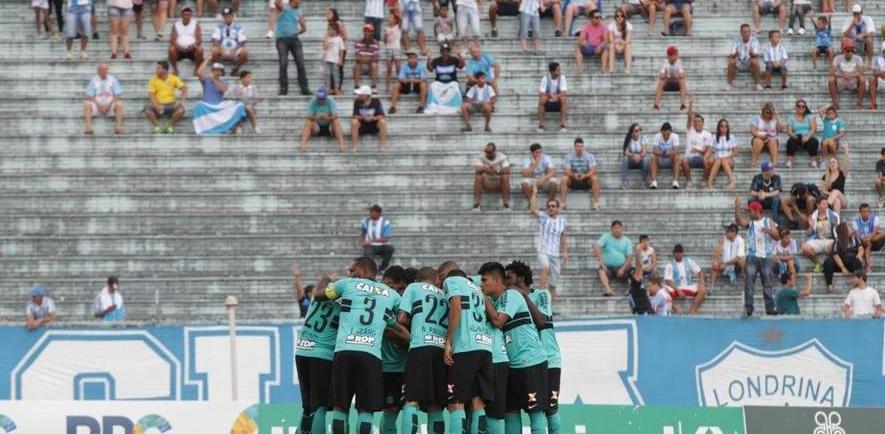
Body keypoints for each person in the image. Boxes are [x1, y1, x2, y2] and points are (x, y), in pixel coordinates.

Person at [312, 257, 409, 434]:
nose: (349, 273)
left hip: (344, 352)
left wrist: (329, 280)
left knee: (341, 408)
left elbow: (319, 295)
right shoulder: (392, 294)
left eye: (352, 269)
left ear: (363, 270)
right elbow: (404, 320)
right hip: (370, 355)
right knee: (366, 411)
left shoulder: (346, 284)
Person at [481, 262, 550, 434]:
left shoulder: (511, 295)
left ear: (497, 280)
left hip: (530, 361)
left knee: (535, 412)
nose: (482, 284)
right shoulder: (496, 302)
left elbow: (498, 321)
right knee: (510, 413)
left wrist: (483, 298)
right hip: (510, 365)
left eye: (485, 280)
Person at [502, 260, 562, 434]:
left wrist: (522, 295)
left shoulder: (542, 295)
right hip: (522, 361)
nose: (505, 281)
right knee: (513, 411)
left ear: (520, 278)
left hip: (549, 359)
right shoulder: (507, 299)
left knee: (550, 409)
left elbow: (542, 320)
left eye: (509, 277)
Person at [396, 268, 447, 434]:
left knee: (412, 400)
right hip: (441, 350)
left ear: (418, 279)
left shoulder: (413, 287)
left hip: (420, 347)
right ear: (436, 279)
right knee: (435, 405)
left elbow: (401, 318)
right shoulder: (445, 293)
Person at [443, 271, 493, 434]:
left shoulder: (452, 281)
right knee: (478, 404)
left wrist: (448, 341)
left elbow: (456, 306)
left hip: (466, 347)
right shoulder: (477, 289)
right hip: (485, 348)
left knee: (455, 404)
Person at [733, 199, 780, 316]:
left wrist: (768, 231)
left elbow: (777, 236)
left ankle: (769, 308)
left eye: (751, 211)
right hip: (752, 256)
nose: (749, 213)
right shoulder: (750, 223)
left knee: (768, 284)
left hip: (766, 257)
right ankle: (749, 309)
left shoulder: (769, 221)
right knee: (749, 284)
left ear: (756, 211)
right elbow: (739, 221)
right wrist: (737, 208)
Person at [379, 267, 410, 434]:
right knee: (391, 411)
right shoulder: (383, 301)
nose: (397, 292)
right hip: (388, 367)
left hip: (405, 367)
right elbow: (403, 338)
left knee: (401, 410)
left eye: (401, 289)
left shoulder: (404, 305)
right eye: (393, 287)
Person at [192, 59, 247, 135]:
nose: (217, 72)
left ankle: (237, 125)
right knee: (199, 105)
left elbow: (223, 89)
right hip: (207, 105)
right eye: (215, 70)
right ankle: (203, 128)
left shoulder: (224, 82)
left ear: (222, 72)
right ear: (212, 71)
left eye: (219, 71)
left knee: (240, 105)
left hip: (219, 106)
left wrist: (213, 79)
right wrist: (207, 60)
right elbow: (198, 72)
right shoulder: (206, 80)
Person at [529, 192, 567, 293]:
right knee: (545, 267)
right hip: (543, 250)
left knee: (554, 281)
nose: (551, 208)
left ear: (557, 208)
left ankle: (550, 301)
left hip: (555, 253)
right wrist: (534, 193)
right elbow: (533, 209)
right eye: (549, 206)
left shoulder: (562, 221)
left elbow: (563, 236)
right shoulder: (544, 217)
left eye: (553, 206)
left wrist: (565, 252)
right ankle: (541, 292)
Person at [274, 0, 309, 96]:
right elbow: (277, 3)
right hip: (282, 39)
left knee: (300, 63)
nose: (300, 2)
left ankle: (304, 88)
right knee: (283, 63)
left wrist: (297, 31)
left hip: (294, 38)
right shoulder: (284, 6)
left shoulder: (299, 10)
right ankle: (283, 88)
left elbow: (304, 27)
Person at [143, 60, 187, 134]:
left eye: (158, 68)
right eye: (156, 68)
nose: (156, 70)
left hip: (171, 105)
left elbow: (184, 88)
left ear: (165, 70)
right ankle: (158, 126)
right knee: (147, 110)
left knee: (181, 110)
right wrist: (156, 106)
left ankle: (169, 126)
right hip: (158, 105)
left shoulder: (173, 78)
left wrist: (181, 101)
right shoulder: (153, 80)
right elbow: (151, 95)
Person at [83, 62, 124, 135]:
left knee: (119, 104)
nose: (104, 71)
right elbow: (90, 96)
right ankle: (88, 127)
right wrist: (99, 106)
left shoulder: (112, 79)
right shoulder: (94, 80)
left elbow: (117, 95)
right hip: (97, 105)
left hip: (110, 105)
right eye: (102, 70)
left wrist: (108, 105)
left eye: (105, 70)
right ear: (98, 71)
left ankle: (118, 127)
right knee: (87, 104)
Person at [663, 244, 707, 314]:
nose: (678, 254)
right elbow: (668, 281)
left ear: (683, 253)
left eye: (680, 252)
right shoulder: (669, 265)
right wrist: (678, 291)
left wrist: (702, 282)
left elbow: (700, 272)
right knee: (663, 293)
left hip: (688, 286)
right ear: (673, 253)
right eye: (676, 252)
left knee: (703, 289)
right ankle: (675, 308)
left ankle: (692, 309)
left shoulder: (688, 261)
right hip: (675, 287)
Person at [300, 87, 345, 153]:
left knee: (336, 121)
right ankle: (302, 145)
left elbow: (335, 115)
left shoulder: (330, 101)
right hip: (316, 126)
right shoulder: (313, 101)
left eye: (322, 99)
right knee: (308, 122)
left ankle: (341, 145)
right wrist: (317, 117)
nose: (321, 100)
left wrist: (328, 118)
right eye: (319, 98)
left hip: (329, 126)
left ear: (326, 96)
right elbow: (308, 116)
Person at [595, 220, 634, 297]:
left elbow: (629, 256)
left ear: (622, 229)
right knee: (601, 271)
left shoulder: (627, 240)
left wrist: (623, 268)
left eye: (619, 228)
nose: (617, 229)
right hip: (608, 267)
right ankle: (608, 289)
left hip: (622, 266)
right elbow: (596, 246)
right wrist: (602, 263)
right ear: (611, 229)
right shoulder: (606, 236)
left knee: (633, 271)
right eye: (615, 228)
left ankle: (632, 289)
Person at [560, 137, 600, 210]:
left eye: (581, 146)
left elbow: (593, 170)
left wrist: (585, 175)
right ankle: (563, 203)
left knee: (595, 178)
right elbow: (566, 171)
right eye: (578, 146)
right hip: (573, 180)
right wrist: (573, 175)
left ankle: (596, 204)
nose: (580, 148)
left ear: (583, 147)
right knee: (564, 178)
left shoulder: (589, 156)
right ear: (574, 147)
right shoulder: (569, 157)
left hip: (586, 180)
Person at [824, 222, 864, 293]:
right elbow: (835, 255)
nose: (851, 228)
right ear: (844, 230)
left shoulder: (854, 239)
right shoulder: (838, 241)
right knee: (827, 261)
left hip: (851, 262)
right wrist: (843, 268)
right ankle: (829, 285)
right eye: (849, 227)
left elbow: (861, 249)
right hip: (839, 264)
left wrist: (859, 256)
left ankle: (857, 284)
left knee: (857, 261)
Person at [425, 43, 465, 115]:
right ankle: (433, 106)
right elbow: (430, 69)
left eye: (447, 51)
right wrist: (428, 59)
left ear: (449, 52)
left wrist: (460, 56)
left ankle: (456, 106)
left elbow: (462, 66)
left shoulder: (454, 59)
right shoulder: (436, 60)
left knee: (455, 85)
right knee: (433, 85)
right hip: (439, 83)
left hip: (451, 83)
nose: (445, 53)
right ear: (441, 52)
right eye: (443, 51)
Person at [681, 98, 712, 188]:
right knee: (683, 160)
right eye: (695, 121)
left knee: (710, 160)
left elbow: (708, 150)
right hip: (690, 158)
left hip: (702, 159)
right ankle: (689, 181)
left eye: (699, 121)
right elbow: (689, 117)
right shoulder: (690, 130)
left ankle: (703, 180)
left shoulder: (708, 134)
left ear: (703, 123)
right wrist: (690, 104)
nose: (697, 123)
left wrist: (699, 151)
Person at [802, 199, 840, 273]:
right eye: (823, 203)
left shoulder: (833, 215)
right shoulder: (813, 216)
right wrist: (810, 226)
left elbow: (838, 228)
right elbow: (808, 233)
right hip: (818, 240)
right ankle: (818, 264)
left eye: (826, 204)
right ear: (818, 205)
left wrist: (835, 222)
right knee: (805, 248)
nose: (826, 205)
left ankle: (829, 266)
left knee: (834, 248)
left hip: (830, 240)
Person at [828, 39, 866, 110]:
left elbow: (862, 72)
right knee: (831, 79)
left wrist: (851, 75)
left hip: (853, 81)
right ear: (844, 50)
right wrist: (843, 75)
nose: (850, 52)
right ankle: (835, 103)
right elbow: (832, 72)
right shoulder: (837, 58)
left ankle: (858, 103)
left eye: (852, 50)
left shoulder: (858, 58)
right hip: (841, 81)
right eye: (848, 50)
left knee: (862, 79)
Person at [473, 142, 511, 210]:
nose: (487, 153)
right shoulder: (481, 157)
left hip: (498, 181)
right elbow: (477, 169)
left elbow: (507, 170)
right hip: (486, 181)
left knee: (506, 176)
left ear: (494, 151)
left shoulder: (502, 157)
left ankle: (505, 204)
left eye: (489, 152)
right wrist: (486, 169)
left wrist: (497, 170)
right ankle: (477, 203)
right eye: (486, 151)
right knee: (478, 176)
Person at [211, 8, 248, 75]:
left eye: (229, 16)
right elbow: (215, 40)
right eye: (225, 16)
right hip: (222, 48)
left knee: (244, 52)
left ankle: (235, 68)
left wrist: (234, 50)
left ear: (232, 16)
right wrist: (221, 50)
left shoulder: (238, 27)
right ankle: (221, 69)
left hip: (235, 49)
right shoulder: (219, 26)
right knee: (214, 51)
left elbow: (242, 41)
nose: (227, 18)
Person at [351, 85, 388, 151]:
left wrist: (373, 118)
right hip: (362, 124)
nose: (359, 96)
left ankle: (382, 145)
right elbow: (354, 115)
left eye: (361, 94)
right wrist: (363, 117)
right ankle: (354, 146)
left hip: (374, 124)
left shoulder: (376, 101)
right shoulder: (357, 102)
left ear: (367, 95)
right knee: (354, 122)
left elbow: (382, 115)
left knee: (383, 122)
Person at [727, 24, 762, 91]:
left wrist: (752, 54)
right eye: (745, 32)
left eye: (749, 31)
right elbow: (732, 55)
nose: (747, 34)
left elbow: (756, 55)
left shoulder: (754, 40)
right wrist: (735, 54)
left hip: (749, 62)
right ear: (741, 33)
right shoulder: (736, 40)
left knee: (755, 61)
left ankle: (757, 84)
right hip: (739, 62)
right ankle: (729, 84)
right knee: (731, 62)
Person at [169, 7, 204, 75]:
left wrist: (192, 46)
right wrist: (178, 46)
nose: (187, 16)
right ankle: (175, 69)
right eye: (185, 14)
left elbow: (199, 40)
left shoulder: (195, 24)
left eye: (188, 14)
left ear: (191, 15)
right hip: (179, 49)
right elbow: (172, 40)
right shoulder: (176, 24)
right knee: (171, 49)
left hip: (192, 49)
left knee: (200, 50)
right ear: (181, 15)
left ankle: (197, 69)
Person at [784, 99, 819, 169]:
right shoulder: (791, 118)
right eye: (799, 106)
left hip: (807, 136)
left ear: (805, 108)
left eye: (803, 106)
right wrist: (797, 137)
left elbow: (813, 129)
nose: (801, 108)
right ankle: (789, 161)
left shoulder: (810, 117)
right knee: (790, 141)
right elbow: (789, 131)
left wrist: (807, 137)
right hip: (796, 136)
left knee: (814, 141)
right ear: (796, 107)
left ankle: (813, 161)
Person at [710, 223, 746, 289]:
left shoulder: (740, 240)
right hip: (725, 264)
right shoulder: (724, 239)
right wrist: (720, 244)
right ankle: (711, 286)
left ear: (734, 232)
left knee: (742, 261)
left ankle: (742, 274)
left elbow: (739, 257)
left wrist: (725, 263)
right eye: (727, 231)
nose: (726, 232)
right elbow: (716, 255)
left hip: (736, 265)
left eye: (729, 231)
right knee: (714, 264)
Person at [360, 204, 395, 273]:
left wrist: (371, 240)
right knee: (367, 254)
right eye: (370, 212)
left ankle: (382, 268)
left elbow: (385, 238)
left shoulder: (385, 222)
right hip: (371, 246)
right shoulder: (366, 221)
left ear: (378, 213)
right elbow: (363, 232)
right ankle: (370, 270)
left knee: (390, 249)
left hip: (382, 245)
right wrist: (363, 241)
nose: (370, 214)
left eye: (372, 212)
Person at [574, 10, 608, 76]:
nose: (599, 19)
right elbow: (581, 39)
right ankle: (579, 69)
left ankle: (603, 68)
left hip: (599, 47)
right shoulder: (586, 26)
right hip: (589, 47)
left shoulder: (603, 26)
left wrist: (600, 46)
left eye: (600, 17)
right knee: (578, 48)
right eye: (597, 17)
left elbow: (606, 40)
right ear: (591, 19)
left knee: (606, 47)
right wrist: (583, 42)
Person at [649, 122, 682, 190]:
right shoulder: (657, 136)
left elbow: (676, 150)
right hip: (661, 159)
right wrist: (664, 153)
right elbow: (654, 150)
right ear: (661, 132)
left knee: (677, 157)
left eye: (668, 134)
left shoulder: (675, 136)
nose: (666, 136)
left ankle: (675, 181)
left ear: (671, 132)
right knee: (653, 157)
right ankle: (654, 181)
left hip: (670, 160)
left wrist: (667, 153)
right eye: (664, 134)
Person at [653, 46, 687, 111]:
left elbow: (682, 75)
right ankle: (656, 104)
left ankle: (683, 104)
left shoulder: (679, 62)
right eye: (675, 54)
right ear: (669, 56)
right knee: (661, 82)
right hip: (668, 83)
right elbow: (661, 76)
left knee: (682, 81)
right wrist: (673, 76)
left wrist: (668, 76)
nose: (676, 56)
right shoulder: (664, 62)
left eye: (676, 54)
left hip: (676, 83)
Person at [853, 203, 884, 272]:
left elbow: (874, 231)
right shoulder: (855, 222)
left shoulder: (875, 218)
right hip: (863, 243)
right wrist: (866, 238)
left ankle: (868, 266)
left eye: (868, 211)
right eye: (864, 212)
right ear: (860, 212)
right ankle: (868, 265)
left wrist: (869, 238)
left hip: (874, 241)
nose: (866, 213)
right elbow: (859, 236)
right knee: (867, 243)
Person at [538, 62, 568, 132]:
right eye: (558, 70)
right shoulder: (545, 78)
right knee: (542, 99)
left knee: (563, 98)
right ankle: (541, 124)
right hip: (548, 99)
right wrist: (550, 96)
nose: (559, 72)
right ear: (552, 71)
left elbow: (564, 92)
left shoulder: (562, 78)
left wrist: (556, 97)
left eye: (559, 70)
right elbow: (541, 93)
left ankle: (563, 123)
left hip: (558, 100)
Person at [748, 102, 780, 167]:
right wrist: (761, 136)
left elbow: (778, 131)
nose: (768, 114)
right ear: (763, 111)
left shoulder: (774, 118)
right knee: (757, 141)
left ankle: (774, 163)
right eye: (767, 112)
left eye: (770, 113)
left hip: (771, 138)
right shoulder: (756, 118)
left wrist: (778, 120)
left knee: (773, 141)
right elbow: (753, 131)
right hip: (759, 137)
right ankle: (753, 162)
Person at [707, 119, 737, 188]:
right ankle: (710, 183)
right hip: (717, 160)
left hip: (728, 160)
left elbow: (735, 152)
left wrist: (727, 156)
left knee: (723, 160)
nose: (724, 128)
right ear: (719, 127)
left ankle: (732, 182)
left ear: (727, 128)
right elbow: (710, 150)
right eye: (722, 126)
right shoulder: (714, 137)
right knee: (718, 160)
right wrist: (706, 158)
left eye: (726, 126)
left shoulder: (731, 137)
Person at [621, 123, 650, 188]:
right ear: (632, 133)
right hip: (632, 160)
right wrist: (634, 155)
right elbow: (626, 152)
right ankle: (624, 183)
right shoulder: (629, 139)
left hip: (640, 160)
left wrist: (639, 156)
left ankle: (643, 182)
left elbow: (644, 152)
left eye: (639, 130)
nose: (639, 132)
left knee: (646, 159)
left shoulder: (643, 138)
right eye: (636, 131)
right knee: (625, 159)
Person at [354, 24, 381, 93]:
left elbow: (376, 58)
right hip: (361, 66)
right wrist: (369, 59)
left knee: (374, 65)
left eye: (369, 31)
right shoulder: (358, 42)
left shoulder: (376, 43)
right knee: (356, 65)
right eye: (365, 31)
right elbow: (357, 58)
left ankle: (373, 87)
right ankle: (356, 87)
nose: (366, 33)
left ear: (372, 33)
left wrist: (364, 59)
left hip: (370, 67)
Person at [607, 8, 633, 74]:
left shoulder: (628, 25)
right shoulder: (611, 25)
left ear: (624, 17)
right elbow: (610, 40)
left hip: (623, 45)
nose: (620, 17)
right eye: (617, 16)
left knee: (628, 46)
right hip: (615, 44)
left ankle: (628, 67)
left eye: (622, 16)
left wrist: (622, 43)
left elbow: (628, 40)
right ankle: (611, 67)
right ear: (615, 17)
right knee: (611, 46)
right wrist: (617, 41)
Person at [381, 14, 403, 93]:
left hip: (396, 48)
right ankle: (387, 87)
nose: (389, 19)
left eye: (391, 18)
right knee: (389, 69)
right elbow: (384, 41)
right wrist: (386, 35)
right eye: (389, 17)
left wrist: (396, 12)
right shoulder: (386, 28)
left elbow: (401, 20)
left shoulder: (398, 27)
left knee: (398, 68)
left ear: (395, 20)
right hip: (388, 49)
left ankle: (400, 85)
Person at [322, 25, 346, 95]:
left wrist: (341, 59)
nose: (329, 31)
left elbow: (342, 50)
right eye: (328, 30)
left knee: (336, 75)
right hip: (327, 59)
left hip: (335, 60)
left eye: (330, 29)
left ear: (335, 30)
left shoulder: (339, 39)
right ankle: (327, 89)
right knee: (327, 74)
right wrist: (326, 38)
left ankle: (336, 89)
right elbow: (324, 47)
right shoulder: (327, 39)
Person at [870, 42, 885, 110]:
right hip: (881, 79)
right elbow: (875, 72)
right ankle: (874, 102)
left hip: (882, 76)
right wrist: (882, 73)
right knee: (872, 79)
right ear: (882, 51)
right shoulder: (878, 58)